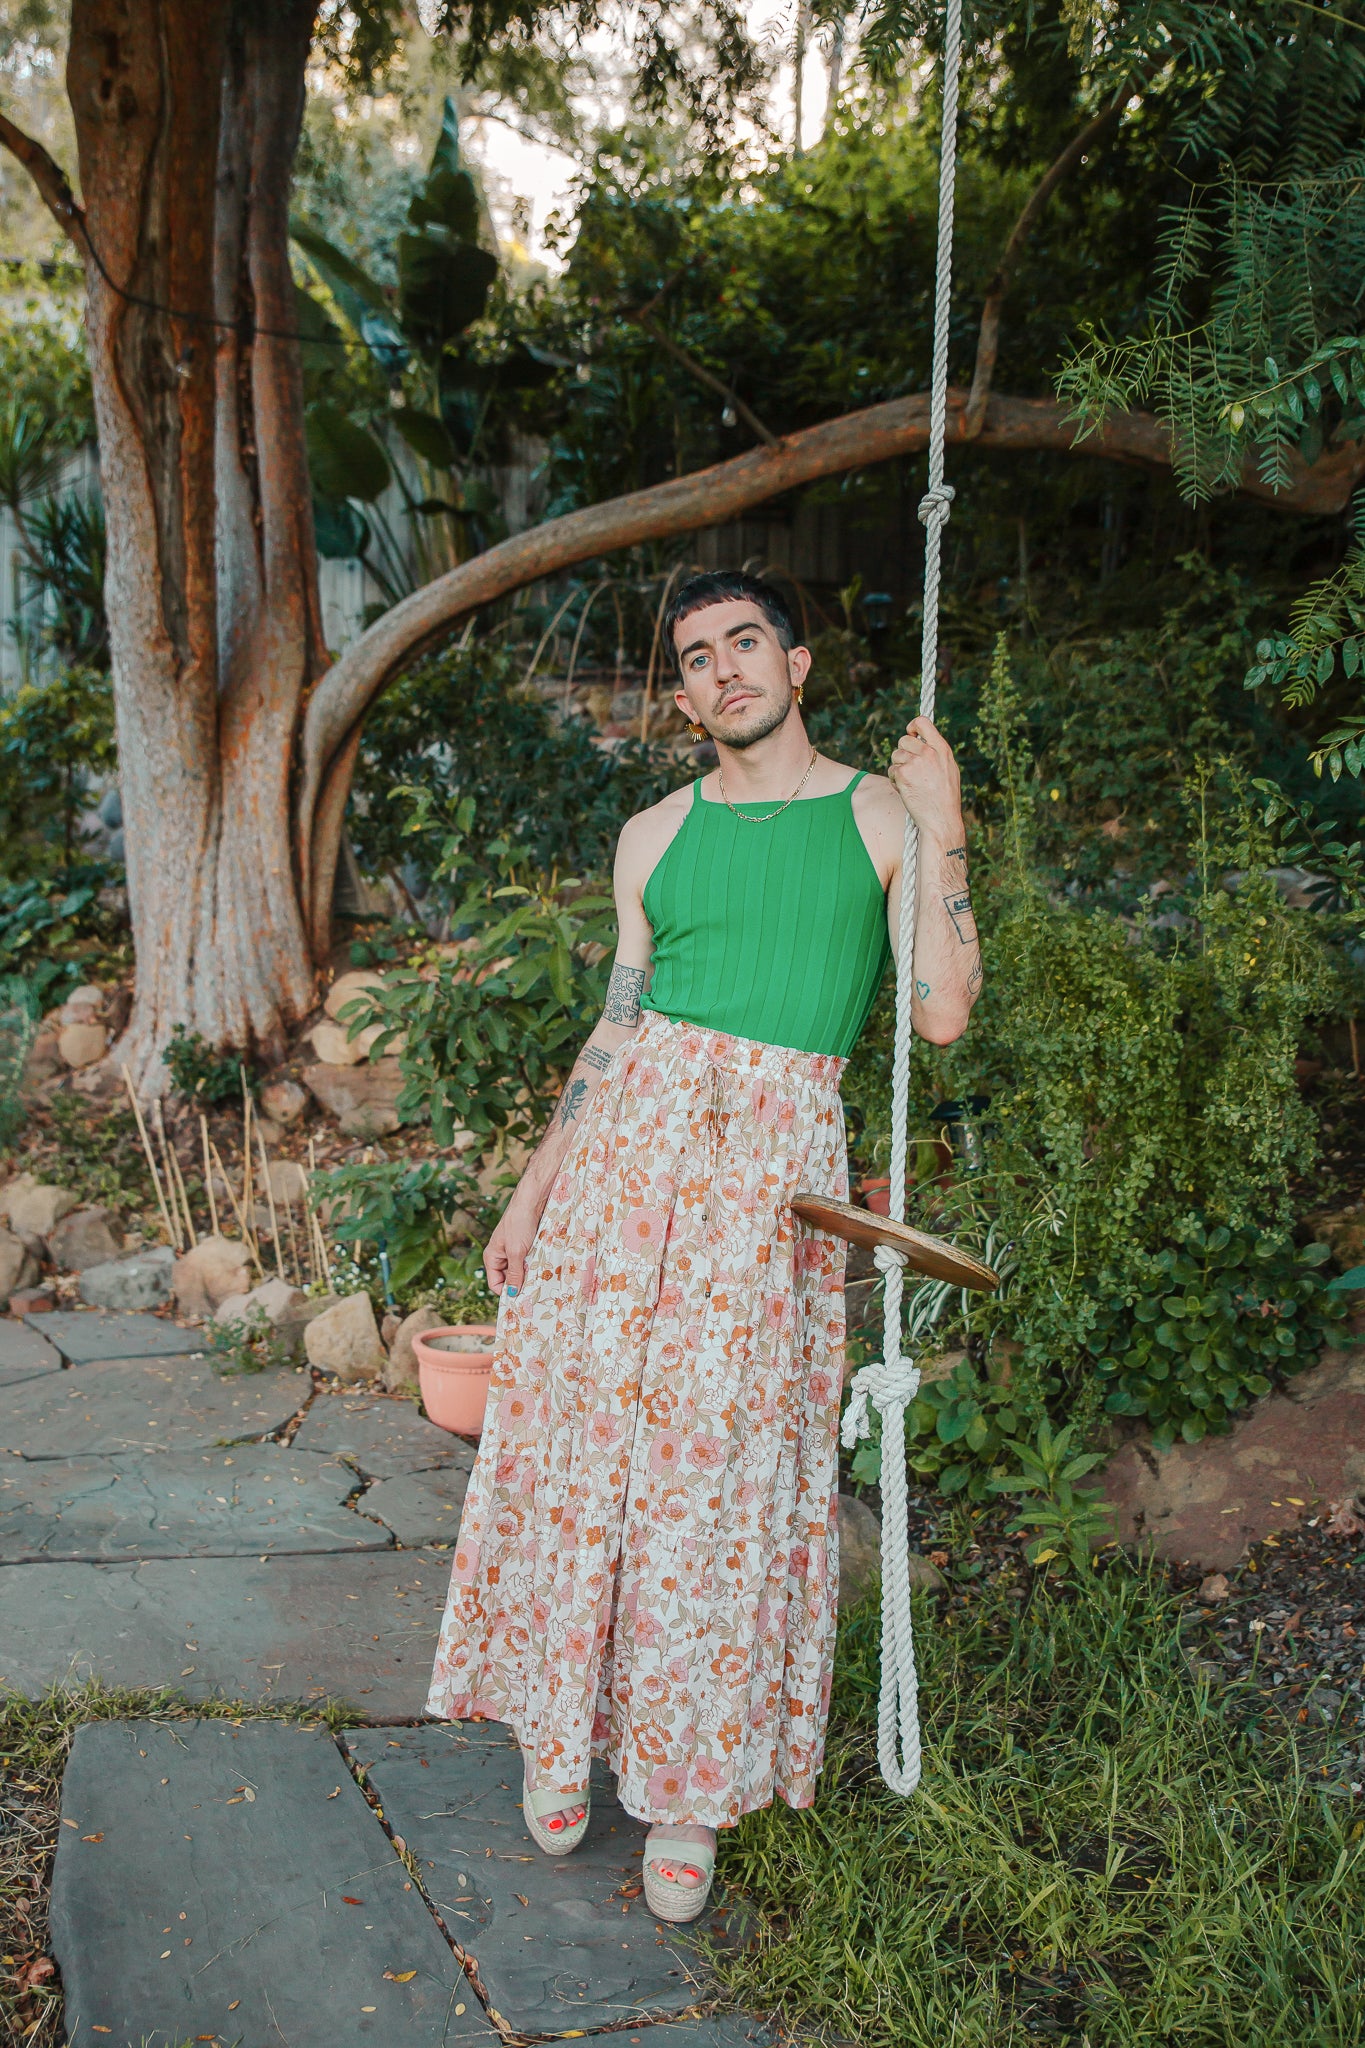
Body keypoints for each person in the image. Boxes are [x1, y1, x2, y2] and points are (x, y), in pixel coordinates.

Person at [427, 569, 980, 1922]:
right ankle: (560, 1735)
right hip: (623, 1177)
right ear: (680, 697)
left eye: (745, 643)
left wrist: (948, 817)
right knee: (584, 1462)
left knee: (717, 1488)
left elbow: (945, 1013)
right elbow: (616, 1032)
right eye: (694, 656)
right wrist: (530, 1190)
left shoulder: (876, 812)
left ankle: (683, 1788)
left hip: (765, 1191)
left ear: (795, 665)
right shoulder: (650, 835)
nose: (721, 668)